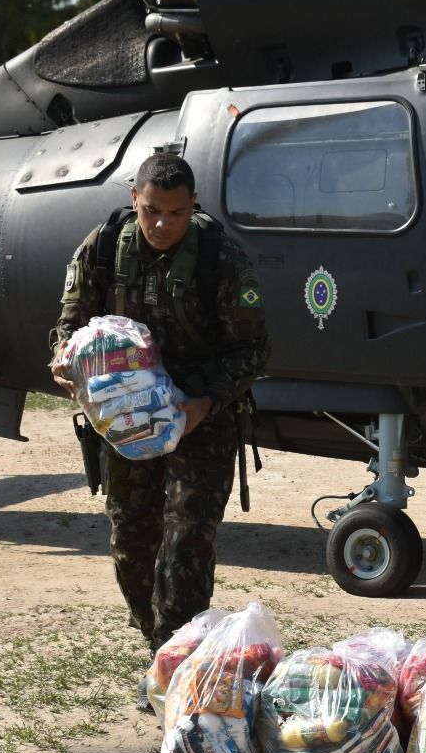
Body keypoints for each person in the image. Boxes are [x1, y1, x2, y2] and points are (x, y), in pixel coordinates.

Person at [49, 153, 271, 677]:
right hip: (126, 423)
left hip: (201, 421)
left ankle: (173, 662)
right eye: (152, 211)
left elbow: (254, 350)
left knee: (186, 541)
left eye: (175, 213)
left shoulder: (222, 259)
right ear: (134, 198)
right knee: (132, 542)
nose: (162, 224)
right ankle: (158, 641)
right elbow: (68, 326)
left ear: (193, 205)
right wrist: (64, 360)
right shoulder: (103, 249)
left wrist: (207, 402)